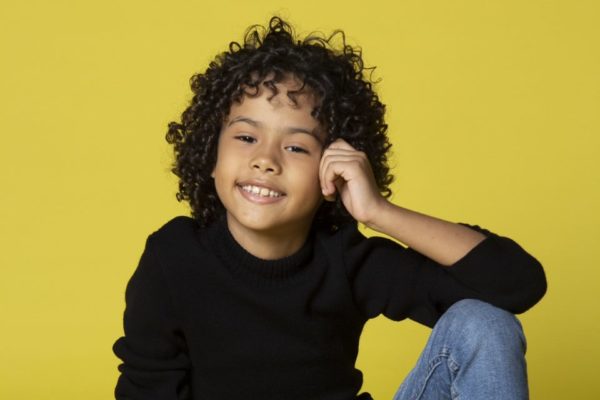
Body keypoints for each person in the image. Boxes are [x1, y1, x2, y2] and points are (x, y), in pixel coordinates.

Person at [113, 17, 547, 400]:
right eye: (246, 137)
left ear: (330, 171)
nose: (266, 159)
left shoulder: (347, 259)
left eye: (297, 146)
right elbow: (146, 388)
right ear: (211, 154)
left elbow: (516, 285)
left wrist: (378, 212)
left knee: (484, 324)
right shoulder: (174, 258)